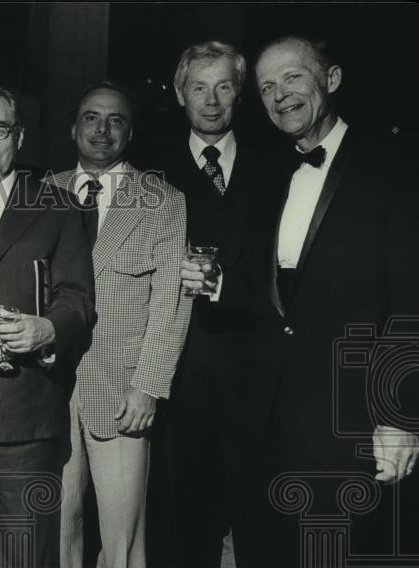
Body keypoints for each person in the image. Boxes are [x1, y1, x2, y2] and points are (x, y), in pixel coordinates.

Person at [181, 35, 419, 567]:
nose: (279, 94)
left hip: (350, 420)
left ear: (330, 81)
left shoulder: (394, 166)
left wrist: (400, 414)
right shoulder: (268, 172)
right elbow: (274, 293)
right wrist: (214, 284)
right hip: (265, 424)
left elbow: (411, 301)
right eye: (266, 86)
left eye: (292, 77)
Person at [0, 85, 95, 567]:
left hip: (26, 414)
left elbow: (79, 300)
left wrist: (47, 329)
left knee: (23, 553)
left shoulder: (59, 207)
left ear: (20, 137)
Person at [47, 82, 190, 568]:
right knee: (59, 526)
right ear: (74, 127)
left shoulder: (163, 199)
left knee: (123, 540)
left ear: (130, 133)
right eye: (91, 117)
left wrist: (148, 387)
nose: (102, 130)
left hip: (122, 392)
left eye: (116, 120)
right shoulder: (44, 191)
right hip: (49, 390)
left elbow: (171, 303)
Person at [148, 41, 277, 568]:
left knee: (254, 511)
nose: (211, 99)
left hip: (254, 364)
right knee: (178, 511)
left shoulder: (275, 168)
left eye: (224, 86)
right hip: (178, 366)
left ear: (239, 93)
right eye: (198, 87)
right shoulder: (151, 171)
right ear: (180, 93)